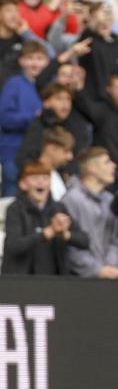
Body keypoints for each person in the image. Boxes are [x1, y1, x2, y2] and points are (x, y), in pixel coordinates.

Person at [2, 161, 89, 275]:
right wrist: (47, 233)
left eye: (45, 178)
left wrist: (66, 234)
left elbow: (85, 241)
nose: (41, 182)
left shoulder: (59, 208)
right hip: (23, 279)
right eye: (35, 178)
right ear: (23, 184)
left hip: (55, 279)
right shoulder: (15, 209)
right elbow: (14, 246)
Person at [61, 147, 118, 279]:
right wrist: (96, 270)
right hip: (79, 280)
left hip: (109, 276)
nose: (114, 165)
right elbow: (68, 243)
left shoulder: (110, 200)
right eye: (107, 162)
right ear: (91, 168)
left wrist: (110, 266)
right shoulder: (71, 199)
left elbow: (114, 239)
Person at [0, 41, 48, 195]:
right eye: (30, 58)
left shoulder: (46, 86)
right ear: (21, 61)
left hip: (36, 154)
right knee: (12, 196)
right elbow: (5, 118)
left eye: (39, 58)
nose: (35, 63)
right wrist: (34, 117)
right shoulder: (14, 83)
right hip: (13, 152)